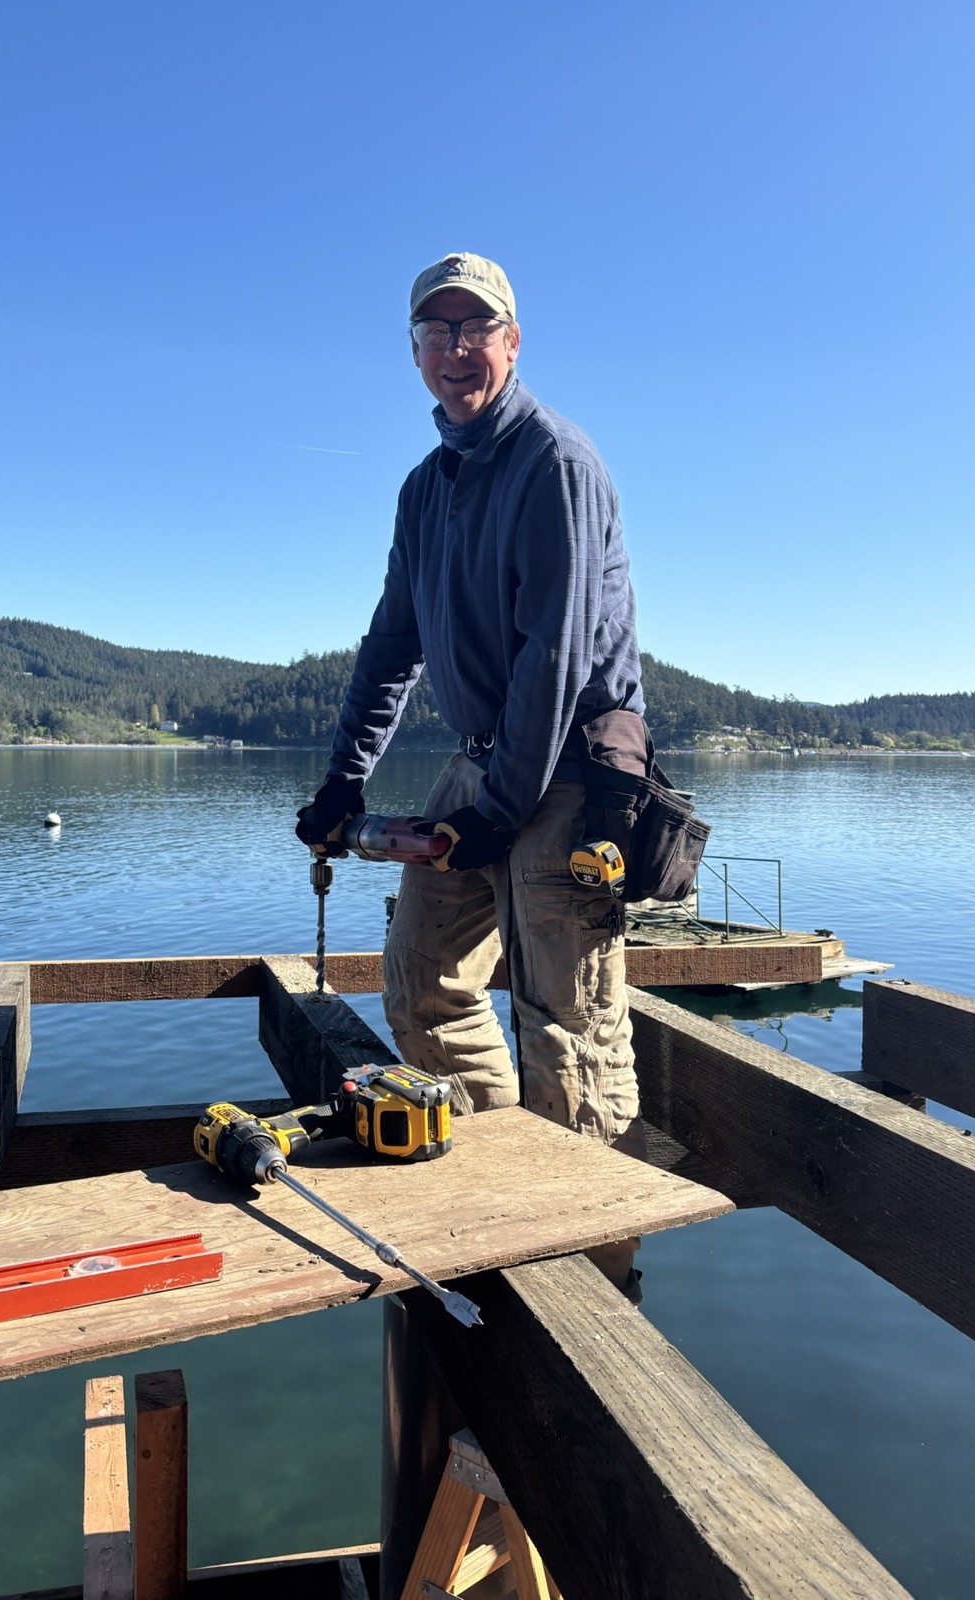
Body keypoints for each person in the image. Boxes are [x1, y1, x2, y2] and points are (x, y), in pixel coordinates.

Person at [296, 253, 648, 1284]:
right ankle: (507, 1184)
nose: (457, 349)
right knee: (422, 979)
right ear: (414, 353)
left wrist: (499, 814)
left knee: (569, 1025)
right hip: (487, 754)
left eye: (476, 328)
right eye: (435, 331)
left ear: (513, 340)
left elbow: (555, 654)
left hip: (573, 762)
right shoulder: (424, 491)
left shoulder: (556, 462)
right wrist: (340, 784)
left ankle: (595, 1259)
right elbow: (389, 645)